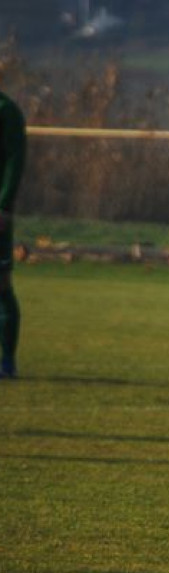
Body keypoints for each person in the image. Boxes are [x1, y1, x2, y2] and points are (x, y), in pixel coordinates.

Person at [0, 89, 26, 380]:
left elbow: (14, 160)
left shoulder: (6, 109)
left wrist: (4, 205)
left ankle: (7, 361)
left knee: (1, 283)